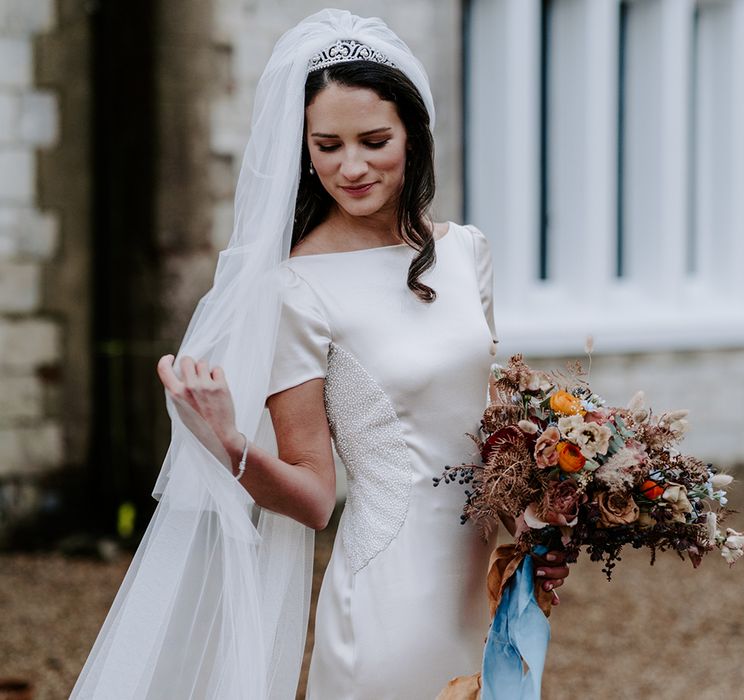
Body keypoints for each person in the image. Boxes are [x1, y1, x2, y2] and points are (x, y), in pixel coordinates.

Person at [72, 10, 568, 700]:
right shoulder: (296, 288)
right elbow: (311, 497)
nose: (352, 166)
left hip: (488, 588)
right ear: (302, 148)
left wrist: (542, 528)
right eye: (327, 145)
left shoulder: (465, 253)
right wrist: (226, 439)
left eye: (374, 140)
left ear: (413, 136)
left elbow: (491, 439)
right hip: (390, 600)